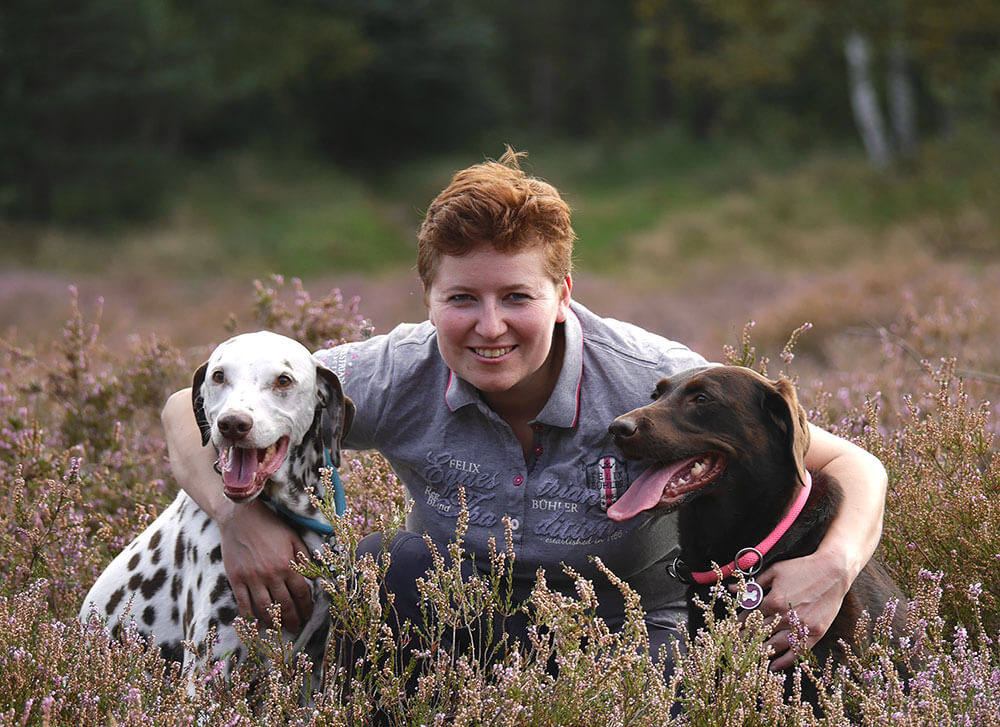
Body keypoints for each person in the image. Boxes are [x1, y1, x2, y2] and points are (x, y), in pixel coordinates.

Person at [161, 148, 888, 672]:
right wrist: (240, 517)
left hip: (627, 650)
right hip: (456, 632)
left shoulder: (650, 378)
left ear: (563, 293)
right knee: (386, 566)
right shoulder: (392, 369)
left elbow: (854, 462)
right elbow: (181, 409)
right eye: (462, 299)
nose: (489, 325)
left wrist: (835, 564)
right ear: (428, 300)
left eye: (517, 296)